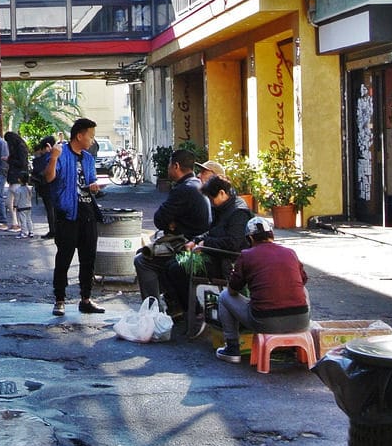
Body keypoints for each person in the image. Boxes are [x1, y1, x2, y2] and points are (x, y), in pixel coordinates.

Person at [165, 174, 253, 337]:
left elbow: (233, 243)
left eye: (212, 199)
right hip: (213, 255)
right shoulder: (221, 208)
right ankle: (187, 311)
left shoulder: (239, 213)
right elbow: (213, 231)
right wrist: (197, 240)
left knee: (178, 269)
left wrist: (206, 244)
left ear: (222, 193)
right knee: (171, 264)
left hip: (226, 261)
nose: (211, 203)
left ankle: (197, 313)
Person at [216, 216, 311, 363]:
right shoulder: (290, 252)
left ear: (250, 239)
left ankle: (232, 348)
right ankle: (292, 347)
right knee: (303, 291)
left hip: (265, 323)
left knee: (223, 297)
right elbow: (303, 281)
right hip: (301, 322)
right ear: (272, 235)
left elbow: (232, 290)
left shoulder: (246, 255)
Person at [133, 148, 210, 310]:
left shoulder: (184, 189)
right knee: (150, 254)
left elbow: (159, 219)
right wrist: (170, 223)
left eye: (169, 165)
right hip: (197, 242)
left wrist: (171, 224)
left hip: (187, 245)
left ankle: (152, 310)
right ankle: (173, 304)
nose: (167, 169)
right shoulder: (197, 185)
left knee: (142, 260)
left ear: (176, 166)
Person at [44, 117, 105, 316]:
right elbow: (49, 177)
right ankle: (59, 300)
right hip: (67, 214)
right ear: (80, 135)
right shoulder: (60, 154)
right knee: (64, 258)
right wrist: (53, 157)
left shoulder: (88, 158)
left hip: (87, 212)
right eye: (91, 136)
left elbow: (91, 180)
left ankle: (86, 298)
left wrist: (94, 187)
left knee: (88, 258)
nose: (92, 140)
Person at [31, 136, 57, 239]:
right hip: (56, 187)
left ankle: (53, 230)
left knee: (50, 210)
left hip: (46, 187)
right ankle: (56, 230)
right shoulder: (58, 155)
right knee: (55, 210)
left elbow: (37, 172)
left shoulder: (43, 159)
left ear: (46, 147)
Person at [4, 131, 29, 232]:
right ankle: (17, 223)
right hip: (16, 177)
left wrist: (9, 160)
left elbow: (22, 163)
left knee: (14, 202)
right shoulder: (20, 147)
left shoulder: (19, 148)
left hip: (17, 177)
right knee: (12, 202)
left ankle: (18, 224)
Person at [12, 172, 35, 239]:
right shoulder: (29, 188)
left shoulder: (18, 190)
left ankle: (24, 232)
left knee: (23, 220)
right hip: (28, 205)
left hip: (21, 207)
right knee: (29, 219)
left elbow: (16, 199)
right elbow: (31, 196)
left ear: (19, 180)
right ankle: (31, 232)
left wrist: (15, 206)